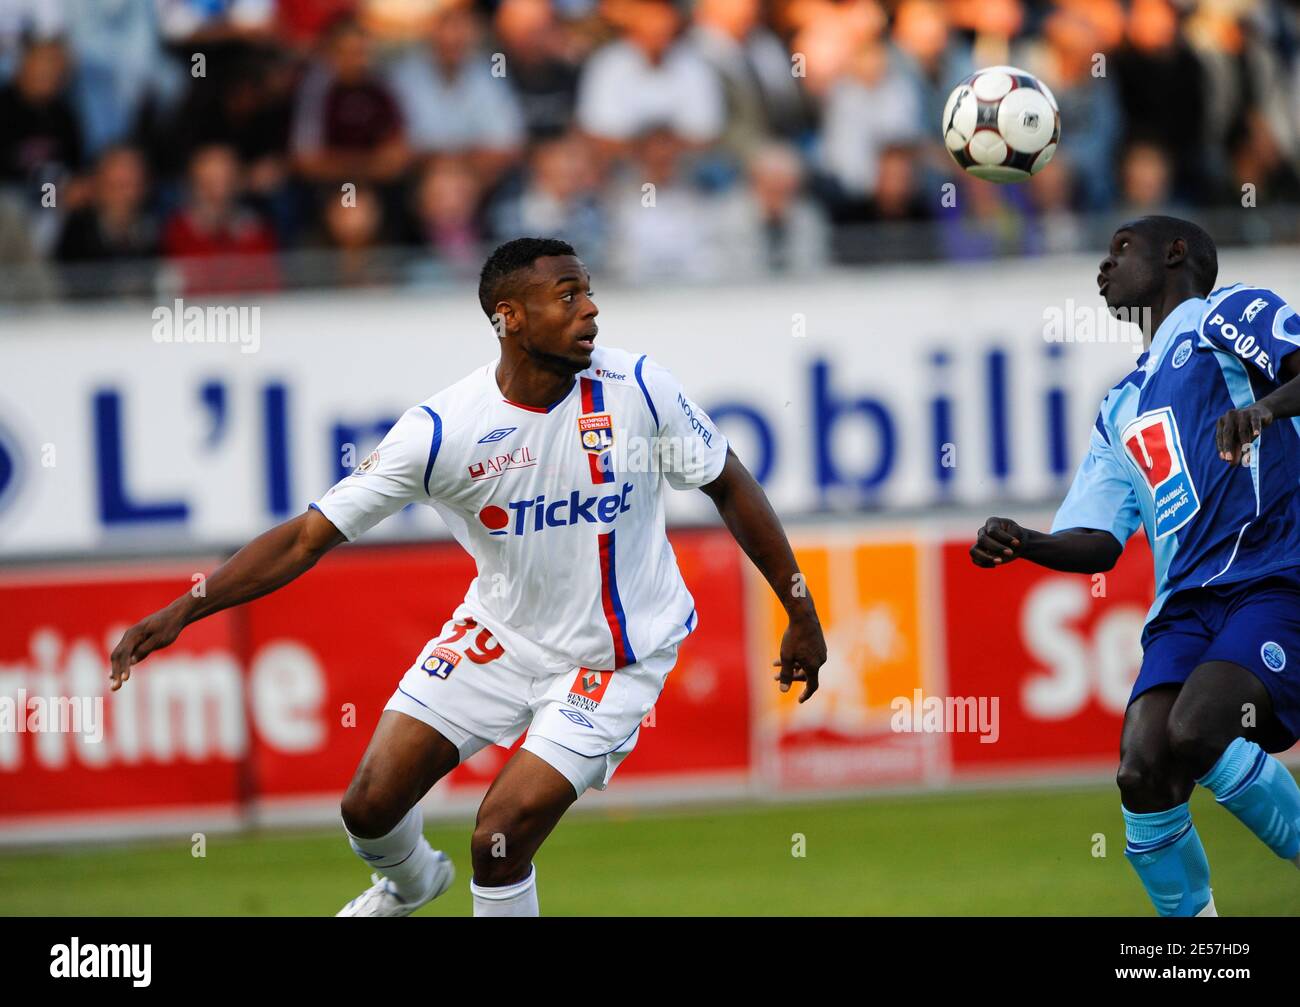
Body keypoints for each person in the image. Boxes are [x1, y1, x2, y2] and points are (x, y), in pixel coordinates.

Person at [108, 236, 827, 917]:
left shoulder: (638, 387)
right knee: (368, 804)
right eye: (567, 295)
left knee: (499, 835)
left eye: (590, 292)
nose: (591, 309)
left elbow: (728, 482)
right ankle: (413, 883)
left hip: (613, 659)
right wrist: (186, 606)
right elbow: (305, 536)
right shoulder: (443, 430)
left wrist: (799, 607)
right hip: (502, 635)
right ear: (508, 318)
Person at [971, 215, 1300, 916]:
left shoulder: (1228, 315)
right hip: (1183, 608)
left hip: (1271, 574)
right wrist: (1025, 540)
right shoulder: (1120, 404)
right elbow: (1098, 541)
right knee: (1142, 769)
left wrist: (1266, 411)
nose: (1104, 265)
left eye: (1121, 247)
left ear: (1176, 252)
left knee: (1198, 727)